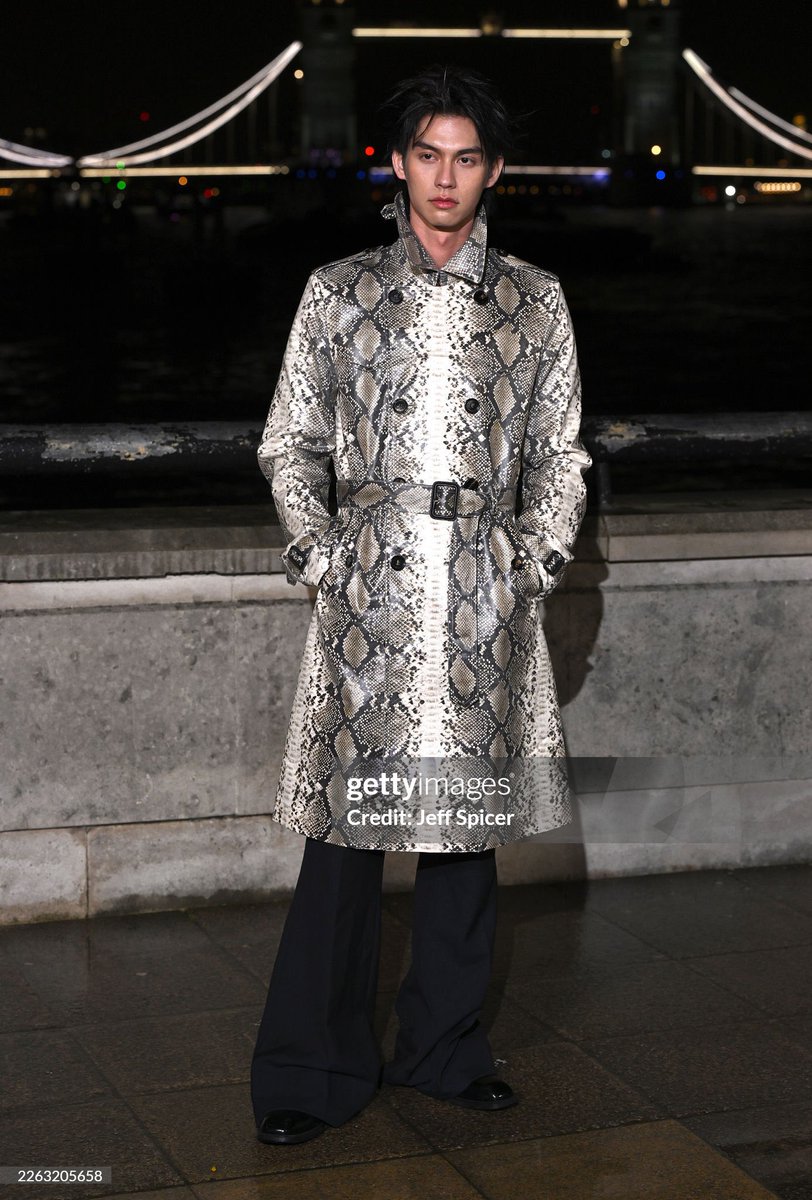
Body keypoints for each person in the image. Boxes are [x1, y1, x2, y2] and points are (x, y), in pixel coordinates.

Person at [251, 64, 591, 1145]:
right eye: (426, 156)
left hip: (482, 596)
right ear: (397, 165)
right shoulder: (338, 288)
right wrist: (322, 557)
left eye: (466, 158)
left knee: (462, 841)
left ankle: (447, 1053)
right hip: (371, 599)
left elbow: (559, 454)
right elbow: (290, 441)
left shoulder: (531, 299)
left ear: (491, 172)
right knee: (344, 845)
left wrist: (528, 565)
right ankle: (310, 1070)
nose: (445, 179)